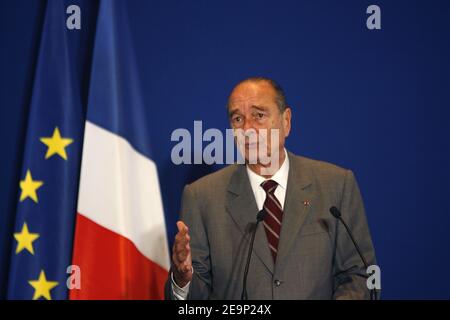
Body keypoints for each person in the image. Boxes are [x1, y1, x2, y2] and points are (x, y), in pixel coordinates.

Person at [165, 77, 377, 299]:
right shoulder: (201, 197)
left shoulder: (336, 185)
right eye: (238, 119)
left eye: (259, 116)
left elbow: (360, 275)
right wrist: (182, 279)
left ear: (286, 122)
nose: (247, 128)